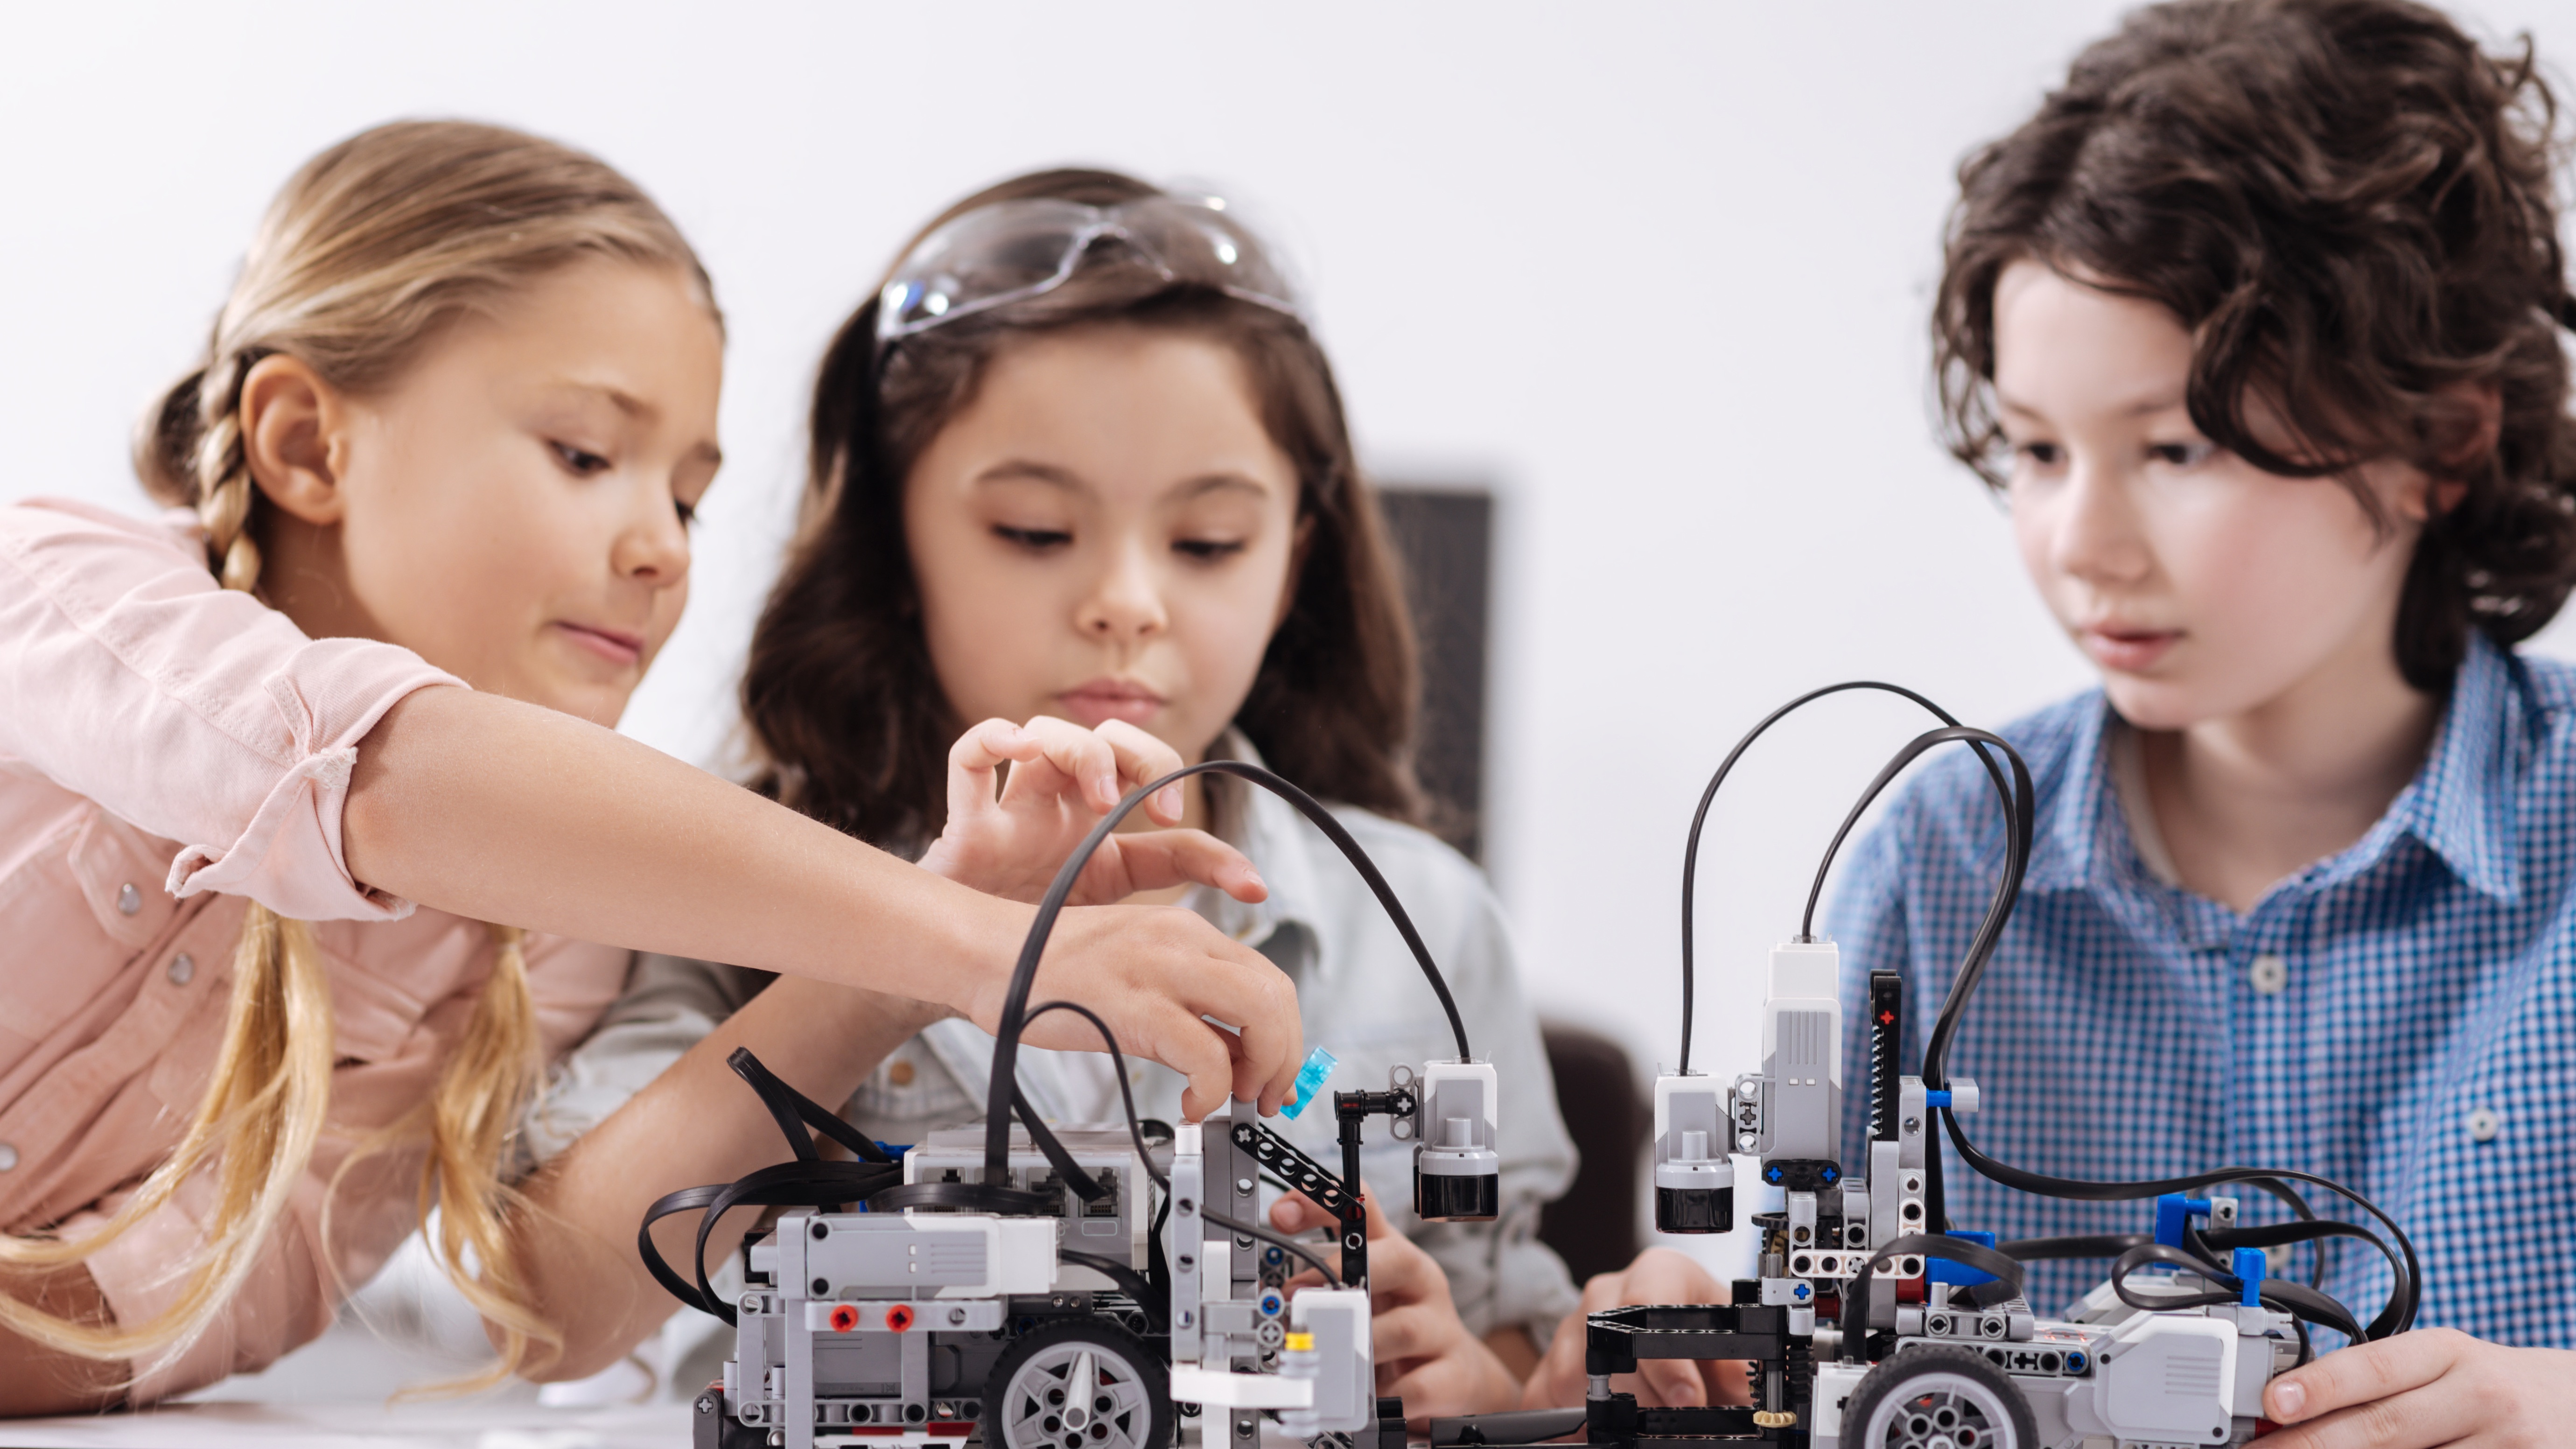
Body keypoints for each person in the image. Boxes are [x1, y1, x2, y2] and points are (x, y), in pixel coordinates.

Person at [0, 122, 1303, 1414]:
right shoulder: (59, 593)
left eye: (686, 497)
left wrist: (926, 935)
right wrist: (971, 939)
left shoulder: (545, 943)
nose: (665, 550)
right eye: (583, 454)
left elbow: (194, 1298)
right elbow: (373, 761)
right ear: (305, 442)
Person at [511, 168, 1578, 1417]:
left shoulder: (1428, 918)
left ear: (1296, 557)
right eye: (1032, 529)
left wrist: (1464, 1374)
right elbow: (545, 1310)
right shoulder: (711, 880)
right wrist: (910, 950)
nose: (1127, 598)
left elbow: (1506, 1340)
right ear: (892, 544)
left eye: (1208, 542)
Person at [1827, 1, 2576, 1444]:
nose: (2081, 542)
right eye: (2039, 450)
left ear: (2441, 438)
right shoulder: (1940, 858)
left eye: (2178, 447)